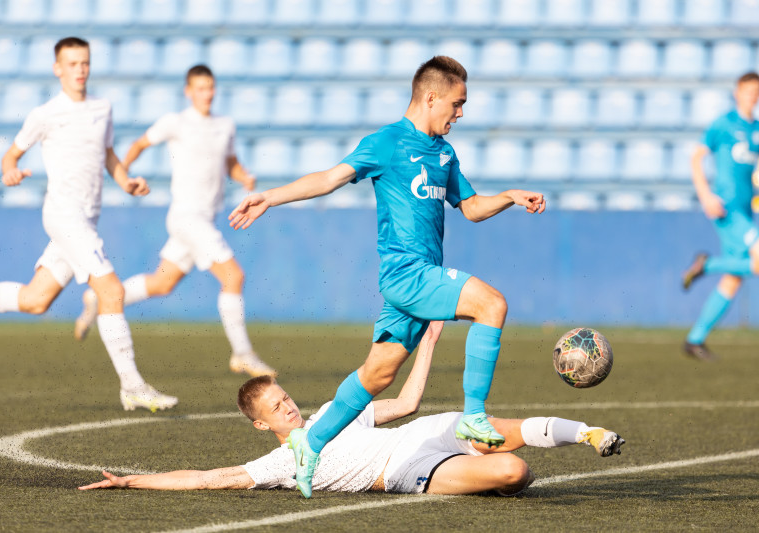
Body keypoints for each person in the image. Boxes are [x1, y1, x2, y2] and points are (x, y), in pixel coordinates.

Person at [228, 56, 546, 497]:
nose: (461, 113)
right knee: (491, 304)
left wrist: (509, 196)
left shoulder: (445, 153)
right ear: (430, 97)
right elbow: (329, 179)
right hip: (406, 274)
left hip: (421, 278)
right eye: (457, 103)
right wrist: (269, 198)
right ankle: (475, 414)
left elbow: (471, 208)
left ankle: (309, 443)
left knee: (377, 375)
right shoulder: (387, 142)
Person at [78, 321, 625, 496]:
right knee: (514, 469)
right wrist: (130, 482)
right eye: (277, 407)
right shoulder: (284, 464)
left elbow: (407, 403)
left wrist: (428, 343)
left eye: (286, 397)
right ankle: (520, 459)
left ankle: (588, 432)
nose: (289, 407)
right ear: (260, 423)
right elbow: (204, 478)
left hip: (429, 433)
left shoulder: (332, 416)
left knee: (485, 424)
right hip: (409, 469)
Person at [0, 37, 177, 412]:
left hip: (85, 218)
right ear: (57, 68)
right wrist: (10, 172)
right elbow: (10, 156)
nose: (80, 70)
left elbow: (108, 155)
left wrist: (126, 181)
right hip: (64, 216)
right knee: (111, 291)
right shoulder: (45, 114)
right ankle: (132, 386)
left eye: (85, 63)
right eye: (72, 63)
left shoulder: (102, 108)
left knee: (35, 299)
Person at [73, 64, 275, 378]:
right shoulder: (176, 122)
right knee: (233, 277)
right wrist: (123, 173)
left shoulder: (225, 125)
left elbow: (230, 162)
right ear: (188, 91)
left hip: (203, 218)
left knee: (162, 283)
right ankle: (243, 353)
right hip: (187, 217)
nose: (206, 93)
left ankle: (95, 298)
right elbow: (140, 143)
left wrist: (244, 177)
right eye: (200, 88)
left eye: (210, 87)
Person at [682, 71, 759, 361]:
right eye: (747, 90)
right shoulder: (724, 124)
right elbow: (697, 156)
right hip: (726, 207)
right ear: (737, 92)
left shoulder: (757, 130)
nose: (752, 95)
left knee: (734, 278)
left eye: (756, 91)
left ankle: (694, 340)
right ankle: (707, 264)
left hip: (746, 210)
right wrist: (705, 194)